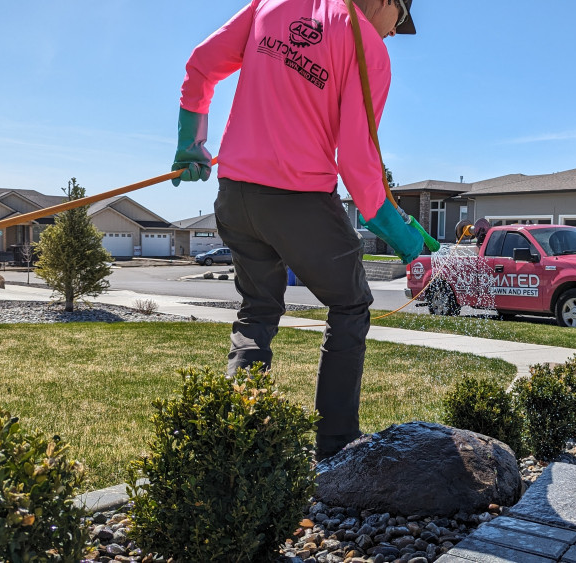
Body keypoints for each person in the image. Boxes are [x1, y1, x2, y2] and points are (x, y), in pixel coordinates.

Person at [171, 0, 422, 461]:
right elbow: (356, 162)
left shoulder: (272, 3)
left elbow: (202, 65)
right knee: (350, 305)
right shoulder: (368, 50)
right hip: (298, 199)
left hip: (236, 196)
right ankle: (336, 448)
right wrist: (403, 236)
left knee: (259, 310)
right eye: (399, 21)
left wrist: (191, 144)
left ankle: (236, 443)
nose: (392, 33)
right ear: (388, 2)